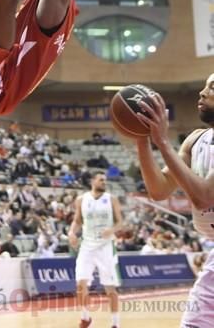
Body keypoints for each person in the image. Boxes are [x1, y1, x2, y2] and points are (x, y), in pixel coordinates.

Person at [134, 74, 214, 328]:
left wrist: (162, 141)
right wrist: (142, 139)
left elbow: (203, 197)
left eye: (212, 87)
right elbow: (159, 190)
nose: (202, 93)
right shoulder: (196, 140)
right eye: (203, 85)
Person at [68, 172, 123, 328]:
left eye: (105, 180)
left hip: (106, 246)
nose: (104, 182)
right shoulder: (81, 200)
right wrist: (72, 232)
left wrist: (111, 230)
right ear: (92, 181)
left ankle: (115, 324)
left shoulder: (111, 199)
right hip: (87, 245)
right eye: (101, 180)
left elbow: (120, 222)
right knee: (80, 284)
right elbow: (77, 221)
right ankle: (86, 318)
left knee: (109, 287)